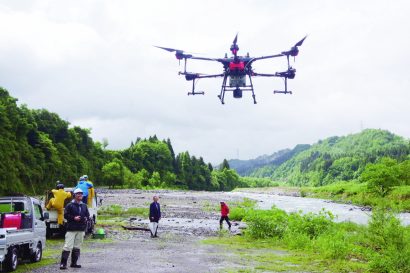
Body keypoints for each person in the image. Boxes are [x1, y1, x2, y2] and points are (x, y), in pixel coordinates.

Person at [59, 188, 90, 270]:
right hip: (71, 229)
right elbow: (65, 215)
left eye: (81, 194)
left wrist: (86, 218)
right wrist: (74, 218)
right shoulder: (69, 205)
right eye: (78, 194)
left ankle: (74, 263)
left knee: (77, 246)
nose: (80, 195)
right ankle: (63, 264)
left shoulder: (84, 205)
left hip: (81, 229)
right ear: (74, 195)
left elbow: (87, 215)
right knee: (67, 246)